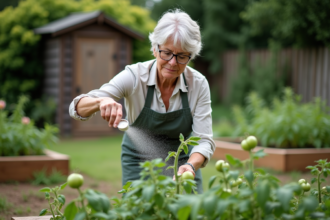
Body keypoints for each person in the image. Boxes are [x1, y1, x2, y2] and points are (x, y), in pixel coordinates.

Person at [69, 9, 215, 193]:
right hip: (138, 160)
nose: (172, 62)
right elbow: (76, 108)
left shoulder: (199, 84)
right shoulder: (135, 76)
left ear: (190, 57)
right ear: (155, 48)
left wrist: (191, 166)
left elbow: (204, 140)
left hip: (183, 162)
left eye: (182, 56)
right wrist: (100, 102)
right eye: (167, 52)